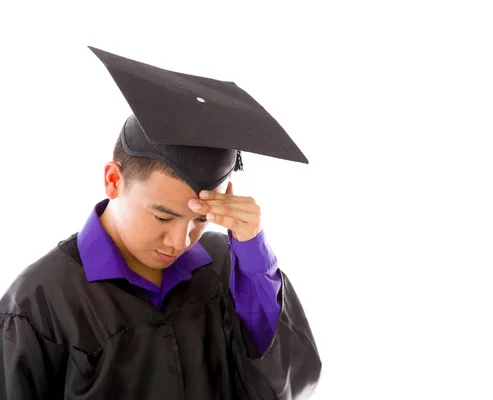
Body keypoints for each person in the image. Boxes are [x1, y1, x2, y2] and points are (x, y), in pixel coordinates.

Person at [0, 47, 321, 399]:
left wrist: (253, 253)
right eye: (163, 215)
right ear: (113, 180)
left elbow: (280, 384)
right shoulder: (38, 304)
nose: (180, 240)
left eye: (200, 219)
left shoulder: (227, 267)